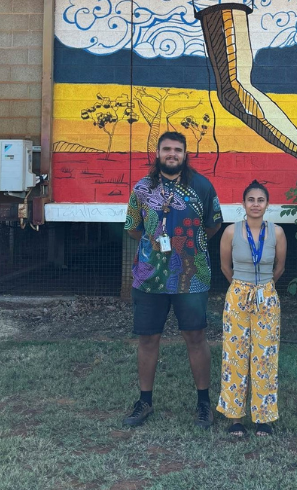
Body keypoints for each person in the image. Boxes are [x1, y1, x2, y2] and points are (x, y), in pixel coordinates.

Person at [122, 131, 223, 428]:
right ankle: (144, 401)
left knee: (195, 336)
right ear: (157, 153)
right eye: (166, 149)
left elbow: (213, 225)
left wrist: (187, 245)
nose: (172, 154)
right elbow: (131, 227)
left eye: (177, 149)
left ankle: (204, 404)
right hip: (149, 277)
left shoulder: (202, 187)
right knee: (148, 338)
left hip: (190, 276)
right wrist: (154, 246)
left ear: (185, 154)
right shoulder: (142, 188)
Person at [217, 180, 287, 436]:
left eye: (261, 200)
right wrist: (241, 287)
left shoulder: (277, 232)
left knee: (265, 355)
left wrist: (264, 289)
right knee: (235, 354)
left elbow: (279, 266)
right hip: (238, 294)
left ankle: (263, 417)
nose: (255, 204)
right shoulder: (231, 232)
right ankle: (234, 416)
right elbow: (225, 267)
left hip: (266, 296)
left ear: (267, 205)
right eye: (251, 200)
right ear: (243, 204)